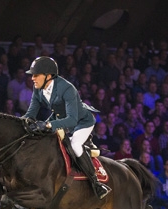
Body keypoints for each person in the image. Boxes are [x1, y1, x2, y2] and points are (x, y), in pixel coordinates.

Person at [23, 56, 110, 199]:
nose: (32, 78)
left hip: (81, 122)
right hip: (59, 119)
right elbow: (31, 113)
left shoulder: (67, 88)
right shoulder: (38, 88)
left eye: (36, 75)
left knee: (75, 145)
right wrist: (20, 125)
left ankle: (96, 183)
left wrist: (48, 124)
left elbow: (71, 120)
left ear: (48, 76)